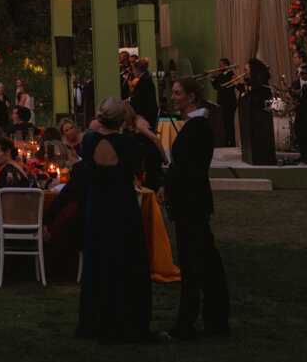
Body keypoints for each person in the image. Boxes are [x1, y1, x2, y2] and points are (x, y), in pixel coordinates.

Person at [74, 96, 156, 344]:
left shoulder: (88, 141)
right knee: (125, 263)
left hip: (97, 208)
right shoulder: (129, 143)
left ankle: (95, 321)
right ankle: (125, 321)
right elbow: (142, 168)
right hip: (121, 208)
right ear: (121, 119)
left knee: (97, 261)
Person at [160, 76, 229, 340]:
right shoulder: (193, 125)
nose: (173, 97)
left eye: (178, 93)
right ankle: (214, 322)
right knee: (206, 264)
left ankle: (187, 325)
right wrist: (166, 184)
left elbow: (187, 167)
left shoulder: (198, 127)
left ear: (191, 97)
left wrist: (170, 186)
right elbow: (179, 164)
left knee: (194, 267)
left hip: (191, 204)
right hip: (192, 202)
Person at [210, 59, 238, 147]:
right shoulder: (220, 75)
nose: (219, 67)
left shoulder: (231, 74)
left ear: (226, 65)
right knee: (224, 123)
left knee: (229, 122)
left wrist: (218, 79)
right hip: (222, 102)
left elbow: (227, 86)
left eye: (221, 65)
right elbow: (216, 87)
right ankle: (225, 142)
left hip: (230, 102)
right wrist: (212, 79)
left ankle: (232, 142)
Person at [129, 59, 159, 130]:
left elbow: (140, 97)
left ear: (137, 70)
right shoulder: (145, 78)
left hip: (147, 114)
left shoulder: (144, 80)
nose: (133, 72)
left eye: (134, 70)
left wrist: (129, 99)